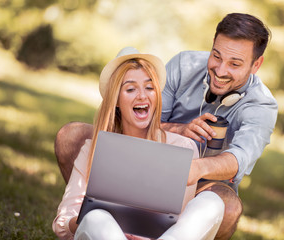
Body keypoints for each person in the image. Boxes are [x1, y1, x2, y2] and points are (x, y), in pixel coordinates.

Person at [55, 13, 278, 239]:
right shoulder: (185, 65)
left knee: (225, 205)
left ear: (256, 64)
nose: (220, 70)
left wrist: (193, 168)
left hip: (202, 178)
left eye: (235, 64)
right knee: (72, 136)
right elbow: (142, 118)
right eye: (216, 56)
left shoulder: (262, 106)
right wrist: (180, 130)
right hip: (145, 149)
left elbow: (238, 158)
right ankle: (97, 205)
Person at [52, 47, 225, 240]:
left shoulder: (182, 148)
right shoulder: (92, 149)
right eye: (131, 89)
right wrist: (96, 217)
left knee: (211, 202)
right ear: (116, 100)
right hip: (104, 234)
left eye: (149, 88)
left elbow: (178, 224)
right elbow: (61, 225)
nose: (142, 96)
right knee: (96, 218)